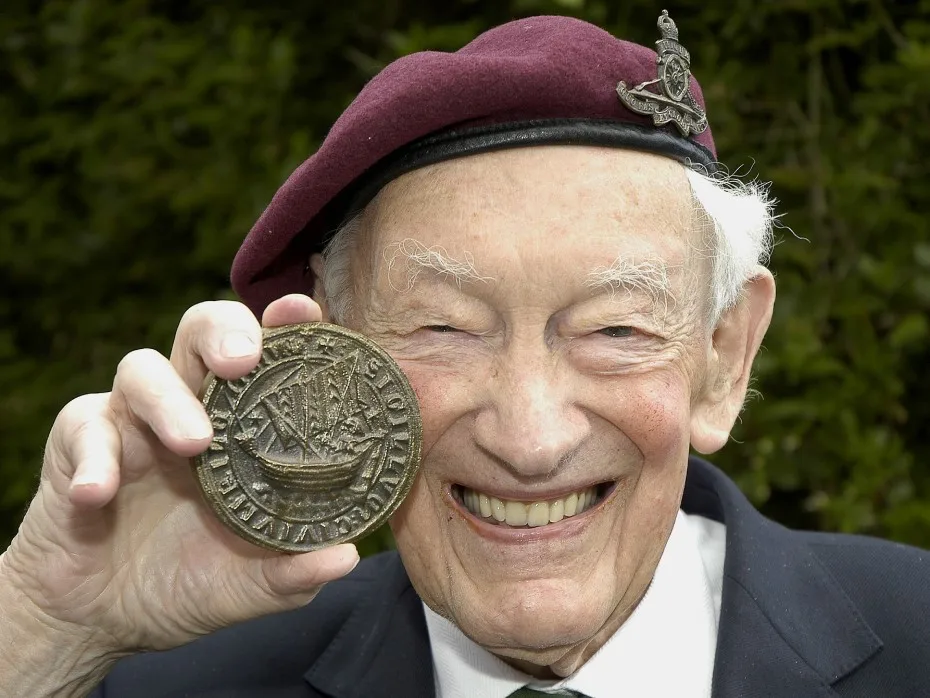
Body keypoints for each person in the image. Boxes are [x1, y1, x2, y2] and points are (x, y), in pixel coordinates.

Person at [1, 12, 928, 698]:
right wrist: (47, 627)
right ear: (326, 349)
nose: (529, 439)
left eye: (615, 330)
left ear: (724, 356)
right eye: (443, 327)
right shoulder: (179, 684)